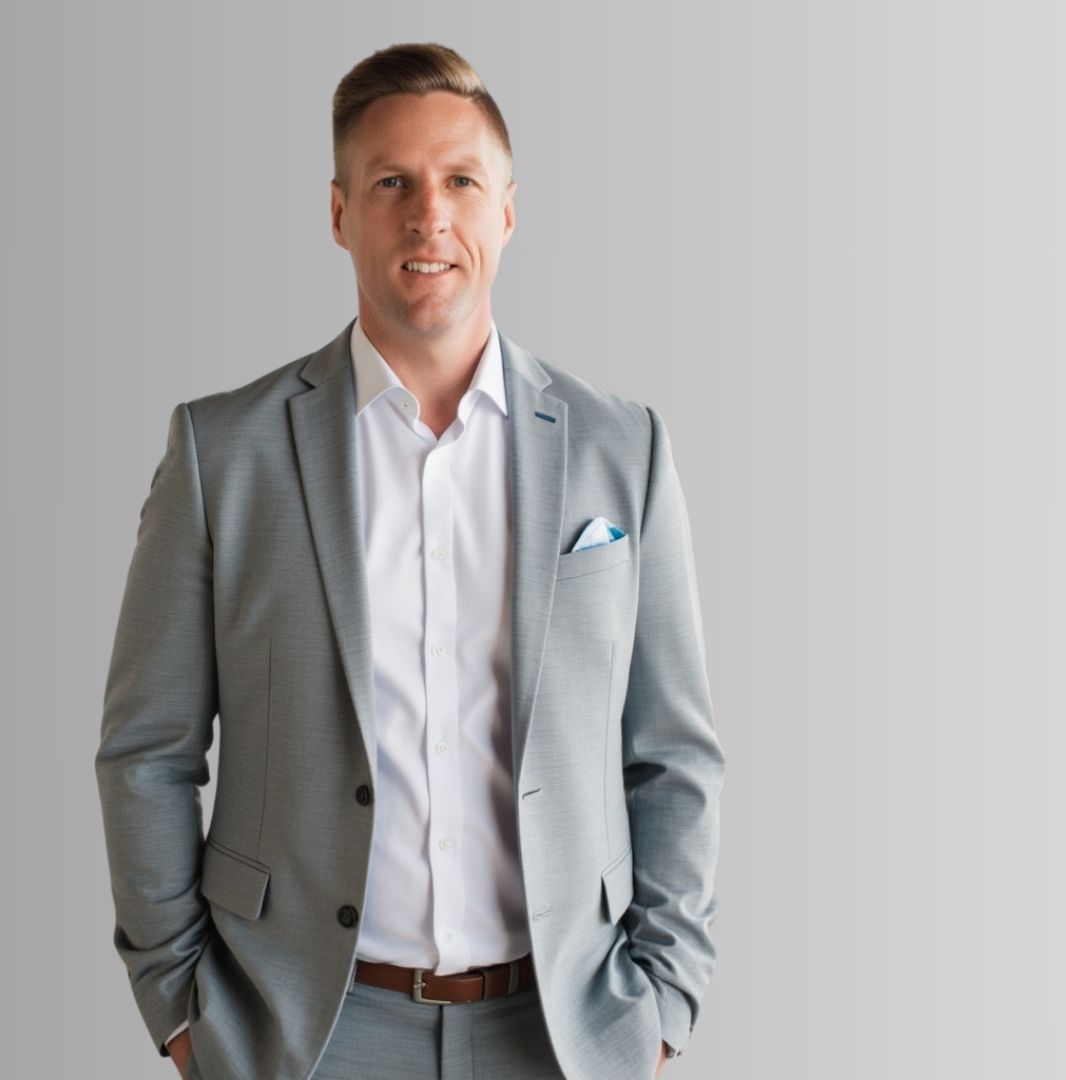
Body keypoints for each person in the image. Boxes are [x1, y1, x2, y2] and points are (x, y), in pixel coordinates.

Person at [93, 42, 725, 1080]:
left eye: (461, 181)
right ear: (340, 213)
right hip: (300, 1033)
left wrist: (663, 1004)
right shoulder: (224, 454)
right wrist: (180, 1008)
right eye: (392, 183)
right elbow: (147, 751)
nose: (429, 215)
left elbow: (674, 751)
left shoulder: (623, 449)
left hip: (564, 1034)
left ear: (507, 211)